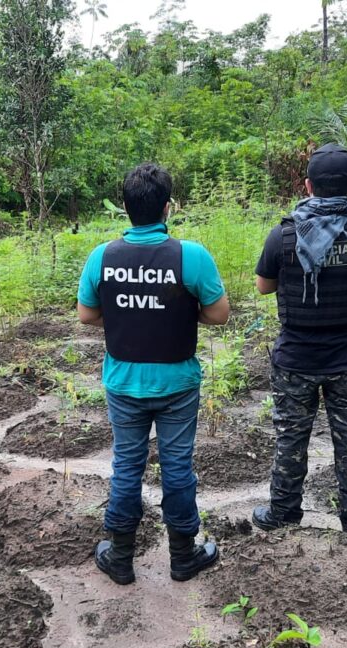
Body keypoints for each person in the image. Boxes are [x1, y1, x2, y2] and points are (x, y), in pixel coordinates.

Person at [77, 163, 230, 585]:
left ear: (125, 208)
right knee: (178, 466)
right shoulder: (191, 255)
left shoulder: (102, 256)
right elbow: (219, 313)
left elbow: (86, 314)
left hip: (123, 383)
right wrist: (180, 311)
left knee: (126, 466)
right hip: (178, 383)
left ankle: (121, 556)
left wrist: (126, 310)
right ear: (168, 208)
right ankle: (183, 555)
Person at [251, 143, 347, 539]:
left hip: (295, 358)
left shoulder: (283, 234)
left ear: (308, 186)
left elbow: (264, 287)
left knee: (290, 437)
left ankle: (282, 512)